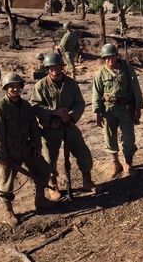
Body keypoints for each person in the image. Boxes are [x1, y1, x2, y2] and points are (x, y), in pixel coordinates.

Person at [0, 73, 57, 227]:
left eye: (17, 86)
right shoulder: (0, 107)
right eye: (10, 86)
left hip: (26, 146)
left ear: (21, 87)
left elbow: (34, 127)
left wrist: (36, 146)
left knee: (44, 170)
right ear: (6, 88)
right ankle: (8, 211)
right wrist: (1, 156)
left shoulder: (26, 106)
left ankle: (40, 200)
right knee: (6, 182)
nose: (14, 89)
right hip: (9, 150)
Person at [31, 53, 99, 193]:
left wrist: (71, 115)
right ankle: (53, 186)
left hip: (69, 125)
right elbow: (35, 106)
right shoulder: (40, 86)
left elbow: (79, 102)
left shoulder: (71, 83)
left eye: (57, 66)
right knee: (49, 158)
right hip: (50, 128)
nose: (54, 69)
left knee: (83, 153)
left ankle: (87, 180)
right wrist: (53, 112)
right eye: (51, 67)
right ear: (47, 68)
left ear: (61, 66)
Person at [92, 43, 143, 178]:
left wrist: (138, 108)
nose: (110, 60)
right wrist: (97, 112)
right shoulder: (100, 74)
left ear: (116, 56)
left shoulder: (127, 70)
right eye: (107, 57)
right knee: (109, 137)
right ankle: (115, 162)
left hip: (126, 108)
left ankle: (128, 163)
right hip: (108, 110)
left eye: (112, 56)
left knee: (129, 138)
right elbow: (96, 94)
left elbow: (136, 89)